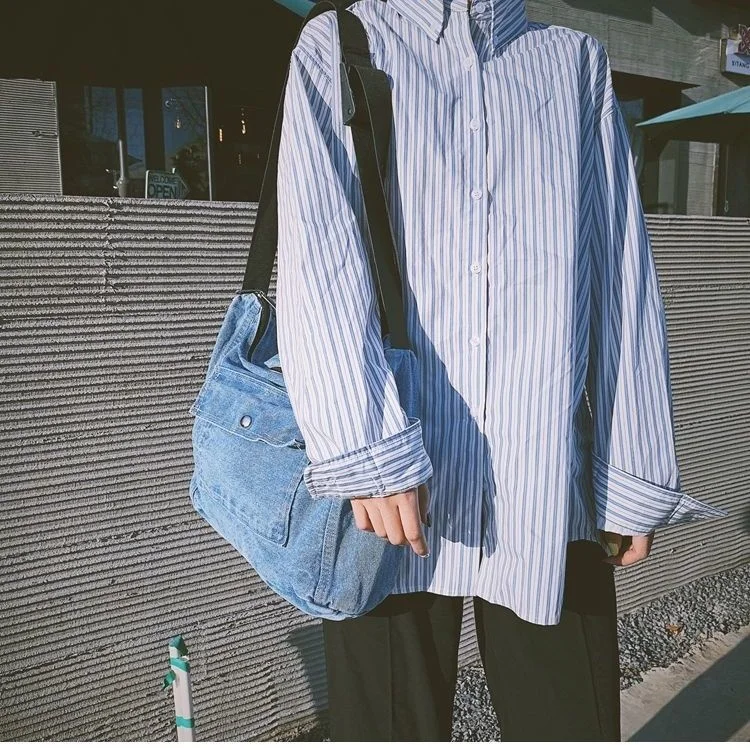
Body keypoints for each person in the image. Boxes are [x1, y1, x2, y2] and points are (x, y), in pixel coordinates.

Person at [274, 0, 727, 741]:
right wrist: (366, 449)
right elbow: (317, 258)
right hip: (391, 490)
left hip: (546, 478)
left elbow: (619, 270)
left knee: (569, 726)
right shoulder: (341, 45)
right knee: (388, 729)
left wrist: (632, 469)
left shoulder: (572, 63)